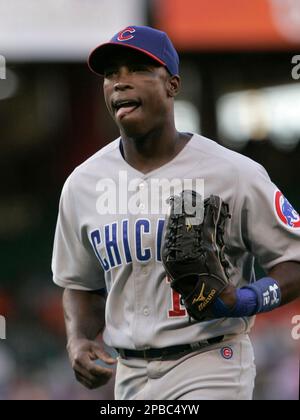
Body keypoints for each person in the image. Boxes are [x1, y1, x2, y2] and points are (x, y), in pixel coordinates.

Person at [52, 25, 300, 400]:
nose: (120, 83)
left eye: (136, 69)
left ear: (172, 85)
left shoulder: (232, 172)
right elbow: (79, 285)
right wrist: (78, 339)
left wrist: (245, 300)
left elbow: (294, 263)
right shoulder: (82, 184)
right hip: (130, 375)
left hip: (211, 360)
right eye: (111, 74)